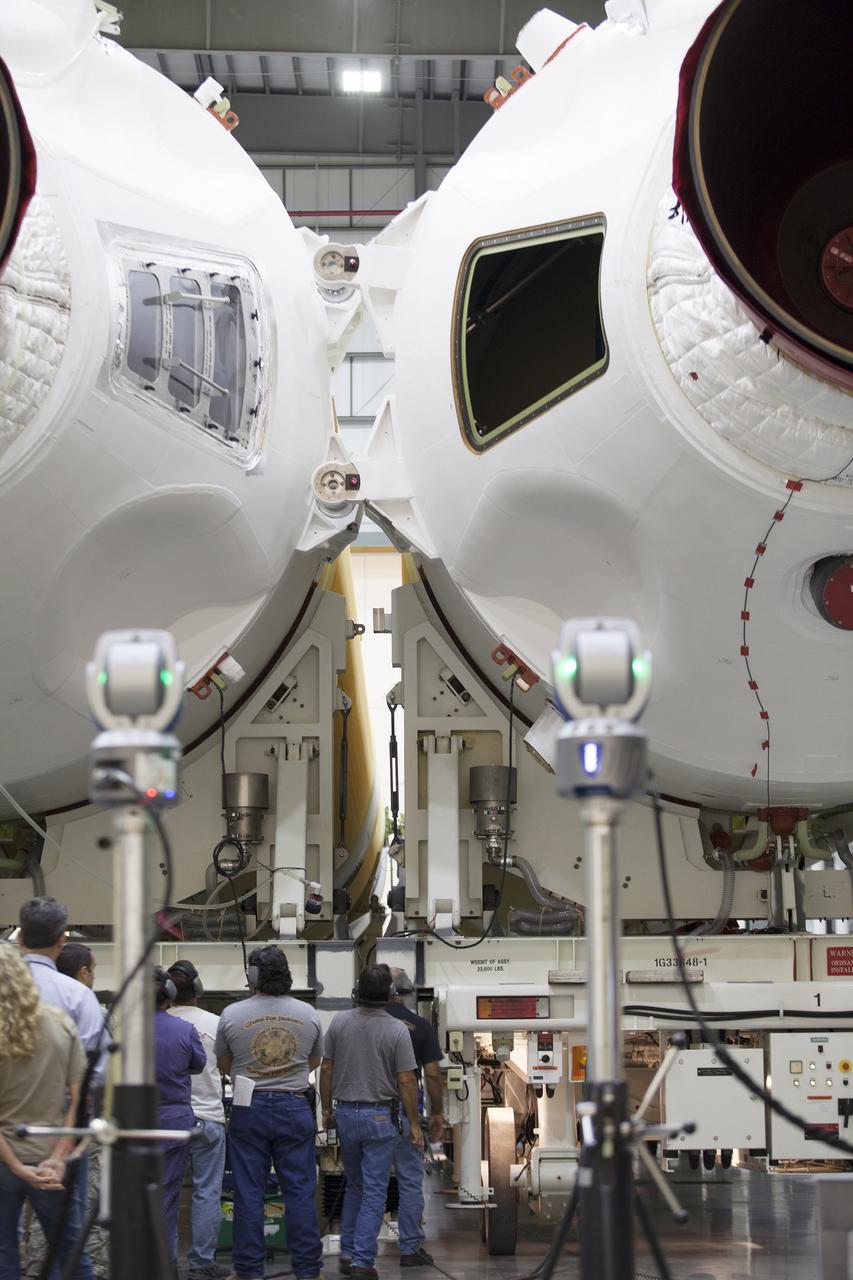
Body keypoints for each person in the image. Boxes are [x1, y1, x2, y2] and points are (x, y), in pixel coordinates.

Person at [215, 945, 324, 1280]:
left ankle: (248, 1270)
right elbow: (314, 1061)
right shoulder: (308, 1014)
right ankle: (308, 1270)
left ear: (252, 975)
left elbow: (224, 1064)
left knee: (249, 1192)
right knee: (300, 1191)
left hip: (249, 1106)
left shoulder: (231, 1014)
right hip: (294, 1105)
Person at [18, 897, 105, 1280]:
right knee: (70, 1236)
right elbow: (93, 1077)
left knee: (5, 1243)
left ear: (21, 937)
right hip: (62, 1130)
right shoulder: (78, 997)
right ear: (61, 938)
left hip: (7, 1130)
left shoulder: (7, 992)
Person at [320, 966, 423, 1280]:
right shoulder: (397, 1030)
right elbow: (406, 1081)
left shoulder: (339, 1022)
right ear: (391, 994)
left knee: (355, 1186)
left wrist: (326, 1108)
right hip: (380, 1117)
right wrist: (414, 1124)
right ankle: (362, 1262)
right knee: (374, 1192)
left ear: (356, 992)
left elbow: (326, 1069)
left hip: (345, 1114)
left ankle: (348, 1252)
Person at [0, 942, 86, 1280]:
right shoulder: (60, 1023)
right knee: (72, 1255)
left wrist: (16, 1167)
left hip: (4, 1161)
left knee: (3, 1255)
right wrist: (60, 1157)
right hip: (50, 1160)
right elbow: (79, 1100)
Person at [378, 966, 445, 1268]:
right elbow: (432, 1075)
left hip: (368, 1114)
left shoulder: (361, 1024)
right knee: (409, 1182)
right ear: (405, 995)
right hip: (406, 1116)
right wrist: (436, 1113)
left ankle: (356, 1254)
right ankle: (410, 1248)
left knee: (367, 1186)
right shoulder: (419, 1026)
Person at [166, 959, 228, 1280]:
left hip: (170, 1121)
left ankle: (165, 1260)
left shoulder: (158, 1025)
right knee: (207, 1193)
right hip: (210, 1119)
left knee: (168, 1192)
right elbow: (227, 1067)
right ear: (198, 989)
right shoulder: (216, 1023)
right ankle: (202, 1263)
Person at [154, 966, 206, 1262]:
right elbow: (198, 1064)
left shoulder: (122, 1028)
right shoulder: (184, 1030)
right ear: (169, 993)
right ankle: (164, 1261)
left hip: (132, 1122)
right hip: (173, 1123)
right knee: (167, 1194)